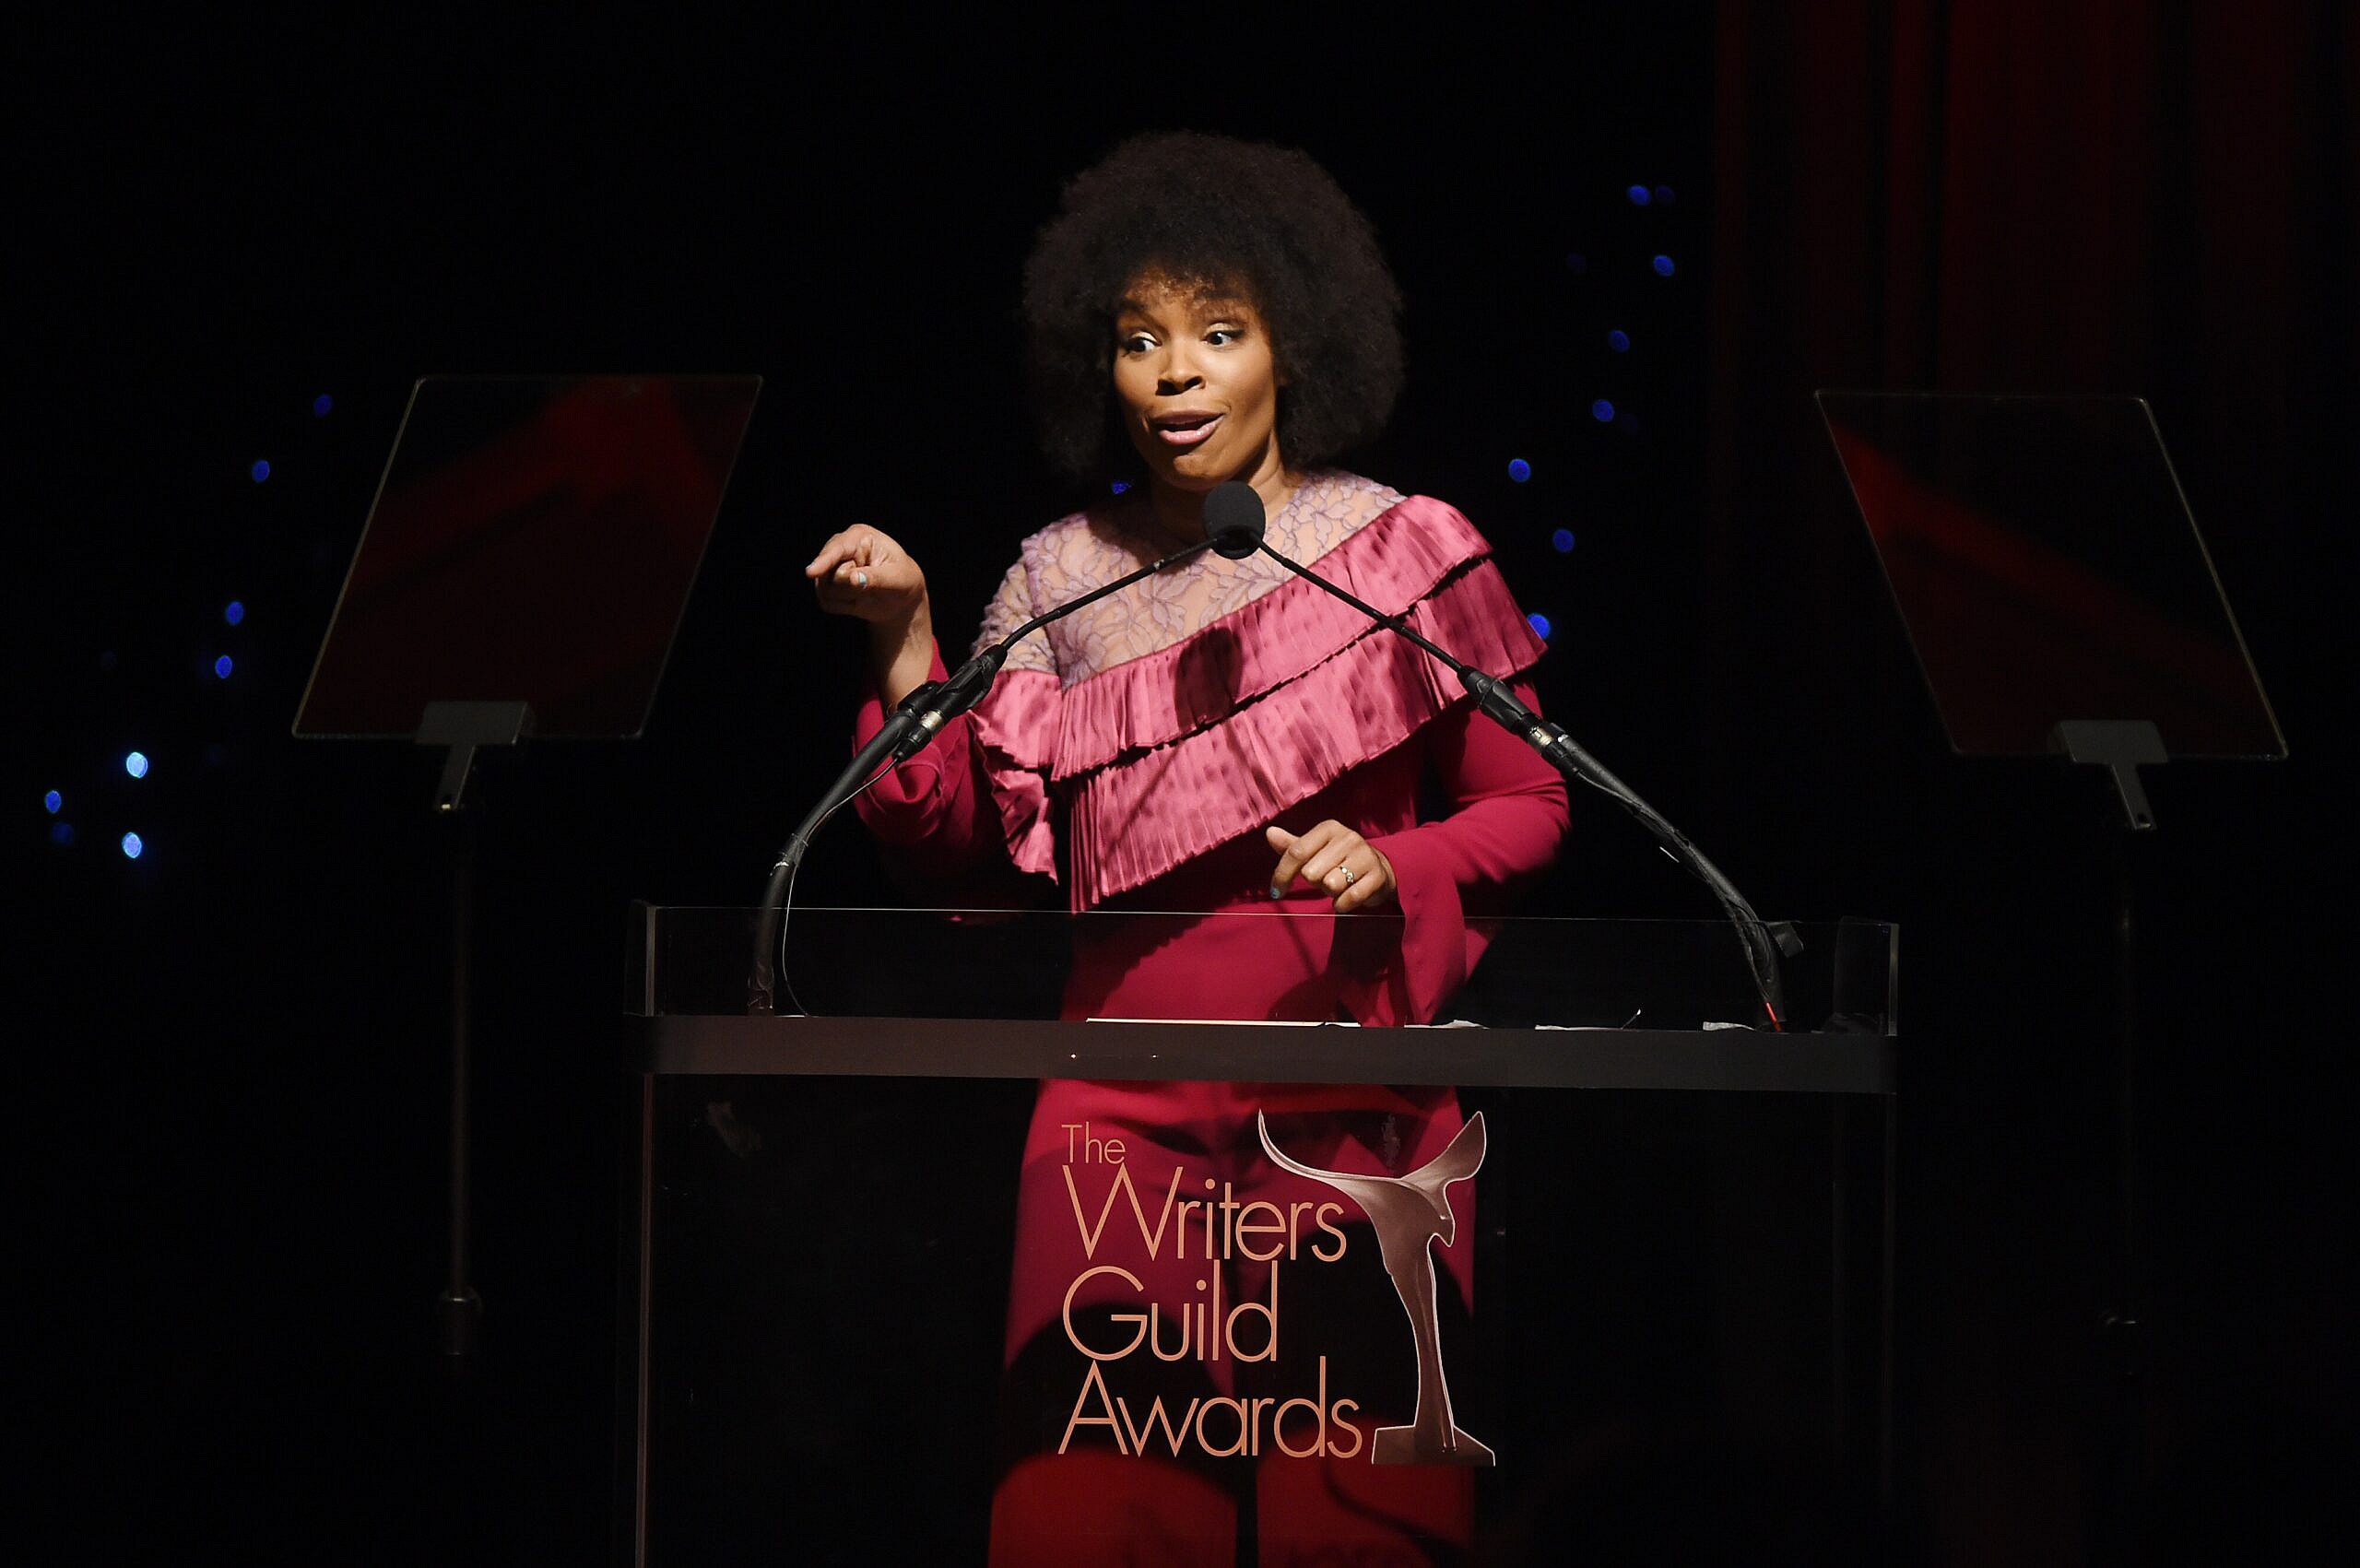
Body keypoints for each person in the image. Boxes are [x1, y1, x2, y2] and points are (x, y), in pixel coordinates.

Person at [806, 132, 1568, 1567]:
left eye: (1218, 334)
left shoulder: (1407, 551)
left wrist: (1394, 867)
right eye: (1140, 338)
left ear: (1294, 345)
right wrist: (905, 644)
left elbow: (1533, 805)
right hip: (1114, 1125)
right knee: (1091, 1521)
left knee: (1364, 1534)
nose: (1175, 374)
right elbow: (955, 843)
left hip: (1361, 1114)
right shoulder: (1054, 583)